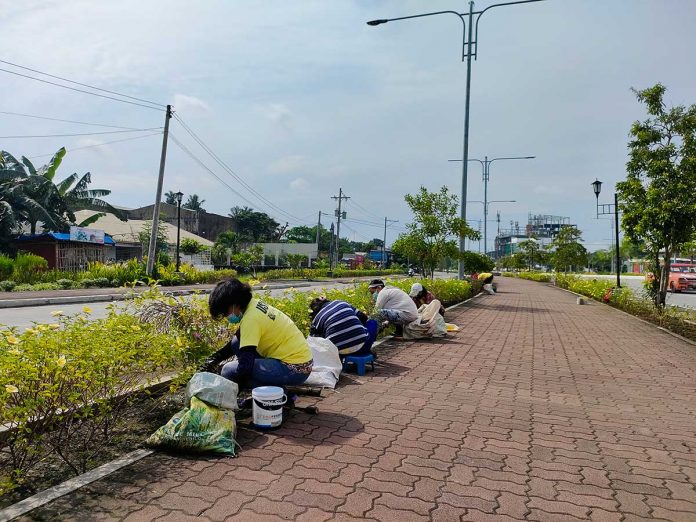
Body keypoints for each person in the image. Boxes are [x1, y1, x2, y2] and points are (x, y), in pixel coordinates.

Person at [202, 278, 313, 388]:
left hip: (294, 369)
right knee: (236, 343)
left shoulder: (251, 319)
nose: (226, 316)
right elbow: (236, 343)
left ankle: (281, 394)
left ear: (234, 304)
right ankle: (270, 386)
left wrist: (236, 389)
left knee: (228, 371)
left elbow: (245, 366)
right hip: (300, 361)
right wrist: (212, 360)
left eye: (225, 312)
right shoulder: (254, 305)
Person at [309, 297, 378, 358]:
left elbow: (314, 341)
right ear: (326, 301)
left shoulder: (316, 319)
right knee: (372, 322)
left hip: (338, 355)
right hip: (363, 347)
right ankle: (368, 349)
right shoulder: (340, 303)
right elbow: (364, 318)